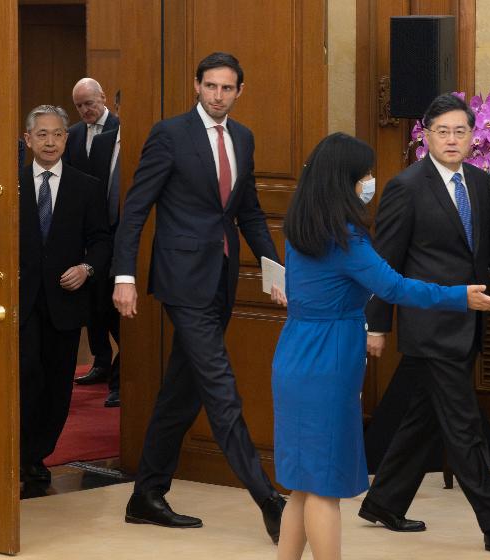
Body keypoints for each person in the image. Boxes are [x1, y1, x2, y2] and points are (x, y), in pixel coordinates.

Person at [271, 133, 490, 560]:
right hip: (328, 359)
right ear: (346, 180)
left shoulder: (299, 227)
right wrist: (459, 296)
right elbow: (394, 287)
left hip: (294, 353)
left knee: (303, 484)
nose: (370, 181)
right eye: (364, 174)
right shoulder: (345, 239)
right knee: (325, 486)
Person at [111, 52, 286, 543]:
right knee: (220, 387)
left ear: (239, 92)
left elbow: (248, 211)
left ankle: (146, 495)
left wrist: (276, 270)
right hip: (182, 280)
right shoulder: (170, 134)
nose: (218, 95)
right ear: (197, 85)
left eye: (227, 88)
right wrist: (123, 274)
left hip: (222, 278)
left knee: (181, 392)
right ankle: (268, 499)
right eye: (210, 86)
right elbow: (136, 209)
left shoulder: (244, 138)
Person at [360, 93, 490, 556]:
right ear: (426, 136)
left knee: (423, 417)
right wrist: (376, 325)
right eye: (442, 131)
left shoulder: (480, 183)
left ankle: (384, 500)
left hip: (470, 320)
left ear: (473, 137)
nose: (452, 140)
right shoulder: (407, 186)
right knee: (462, 425)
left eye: (460, 131)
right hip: (429, 324)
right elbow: (385, 261)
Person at [18, 104, 111, 483]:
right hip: (22, 302)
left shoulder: (85, 187)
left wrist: (86, 268)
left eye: (58, 134)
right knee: (26, 375)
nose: (51, 141)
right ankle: (19, 452)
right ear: (28, 140)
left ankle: (39, 454)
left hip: (65, 301)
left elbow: (103, 240)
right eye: (42, 134)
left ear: (66, 138)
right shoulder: (11, 184)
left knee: (57, 381)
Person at [76, 91, 122, 407]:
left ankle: (121, 375)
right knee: (95, 303)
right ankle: (102, 362)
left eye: (89, 103)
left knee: (115, 307)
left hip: (126, 233)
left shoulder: (119, 129)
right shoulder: (84, 137)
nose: (85, 110)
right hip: (97, 231)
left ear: (104, 100)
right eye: (79, 105)